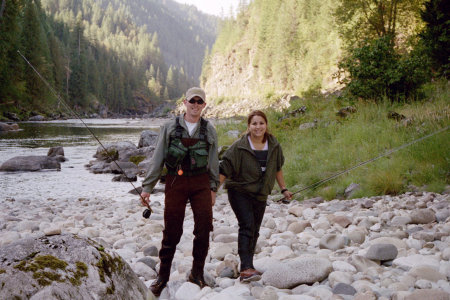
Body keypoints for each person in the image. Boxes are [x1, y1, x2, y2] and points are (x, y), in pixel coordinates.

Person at [140, 87, 219, 296]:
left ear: (203, 105)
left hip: (201, 182)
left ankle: (197, 274)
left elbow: (213, 162)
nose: (195, 105)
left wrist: (213, 188)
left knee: (204, 228)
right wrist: (147, 187)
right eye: (192, 101)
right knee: (172, 231)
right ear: (185, 103)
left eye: (199, 102)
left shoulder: (209, 130)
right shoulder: (169, 127)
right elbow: (158, 158)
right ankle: (162, 277)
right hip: (175, 181)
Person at [218, 110, 293, 282]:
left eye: (261, 123)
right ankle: (245, 269)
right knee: (247, 225)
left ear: (266, 125)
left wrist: (283, 189)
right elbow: (224, 169)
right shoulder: (239, 146)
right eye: (254, 123)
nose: (258, 127)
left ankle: (249, 265)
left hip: (260, 193)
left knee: (255, 229)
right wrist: (212, 191)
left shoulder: (273, 145)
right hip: (239, 191)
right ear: (248, 126)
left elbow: (277, 168)